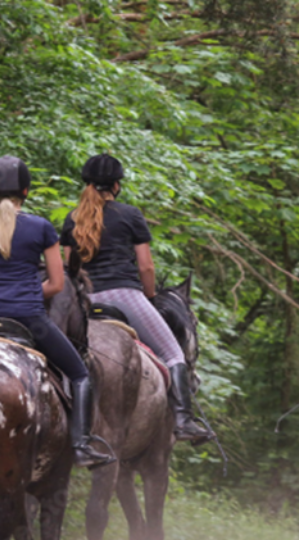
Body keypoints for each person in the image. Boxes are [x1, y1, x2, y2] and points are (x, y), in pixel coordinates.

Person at [0, 155, 116, 469]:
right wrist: (25, 293)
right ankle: (82, 445)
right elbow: (57, 284)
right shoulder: (41, 228)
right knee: (81, 375)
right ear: (26, 192)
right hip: (30, 318)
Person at [59, 153, 213, 443]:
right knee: (173, 354)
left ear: (88, 183)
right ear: (116, 185)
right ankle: (183, 422)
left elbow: (71, 271)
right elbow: (146, 266)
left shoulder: (72, 219)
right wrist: (150, 297)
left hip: (86, 302)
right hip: (125, 295)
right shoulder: (130, 214)